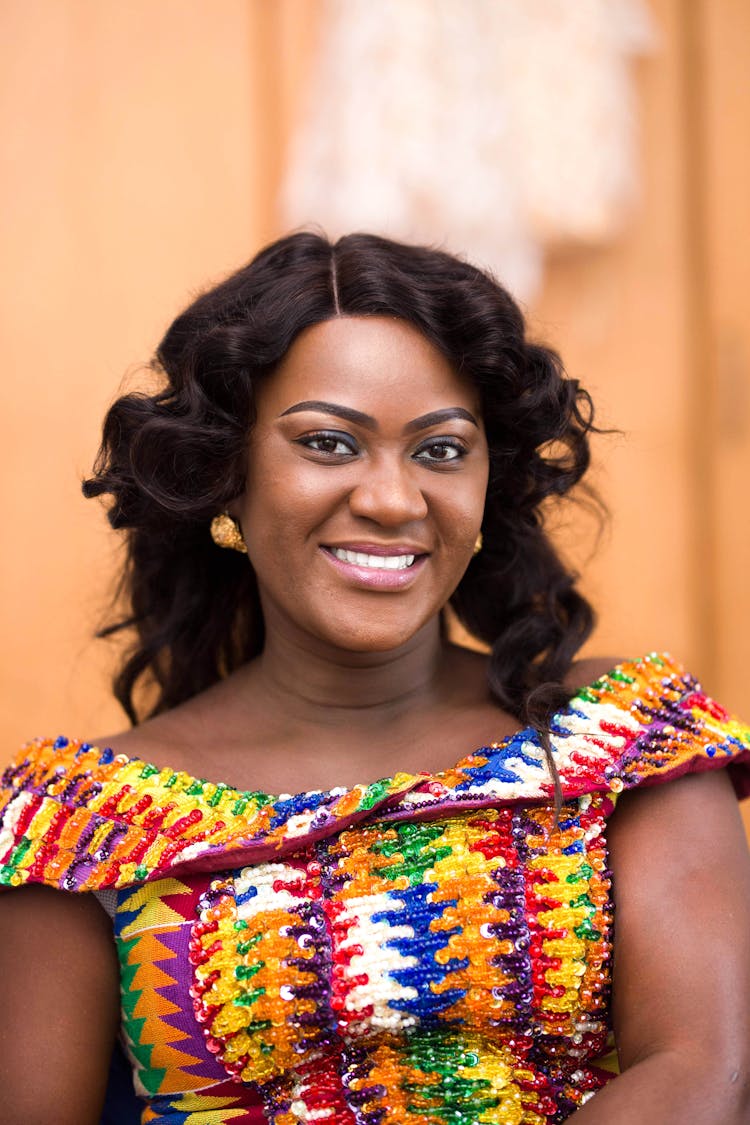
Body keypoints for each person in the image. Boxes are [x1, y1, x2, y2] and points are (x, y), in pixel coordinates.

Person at [1, 231, 749, 1125]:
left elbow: (706, 1071)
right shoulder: (79, 819)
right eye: (328, 443)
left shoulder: (621, 733)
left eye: (440, 450)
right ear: (227, 475)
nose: (394, 500)